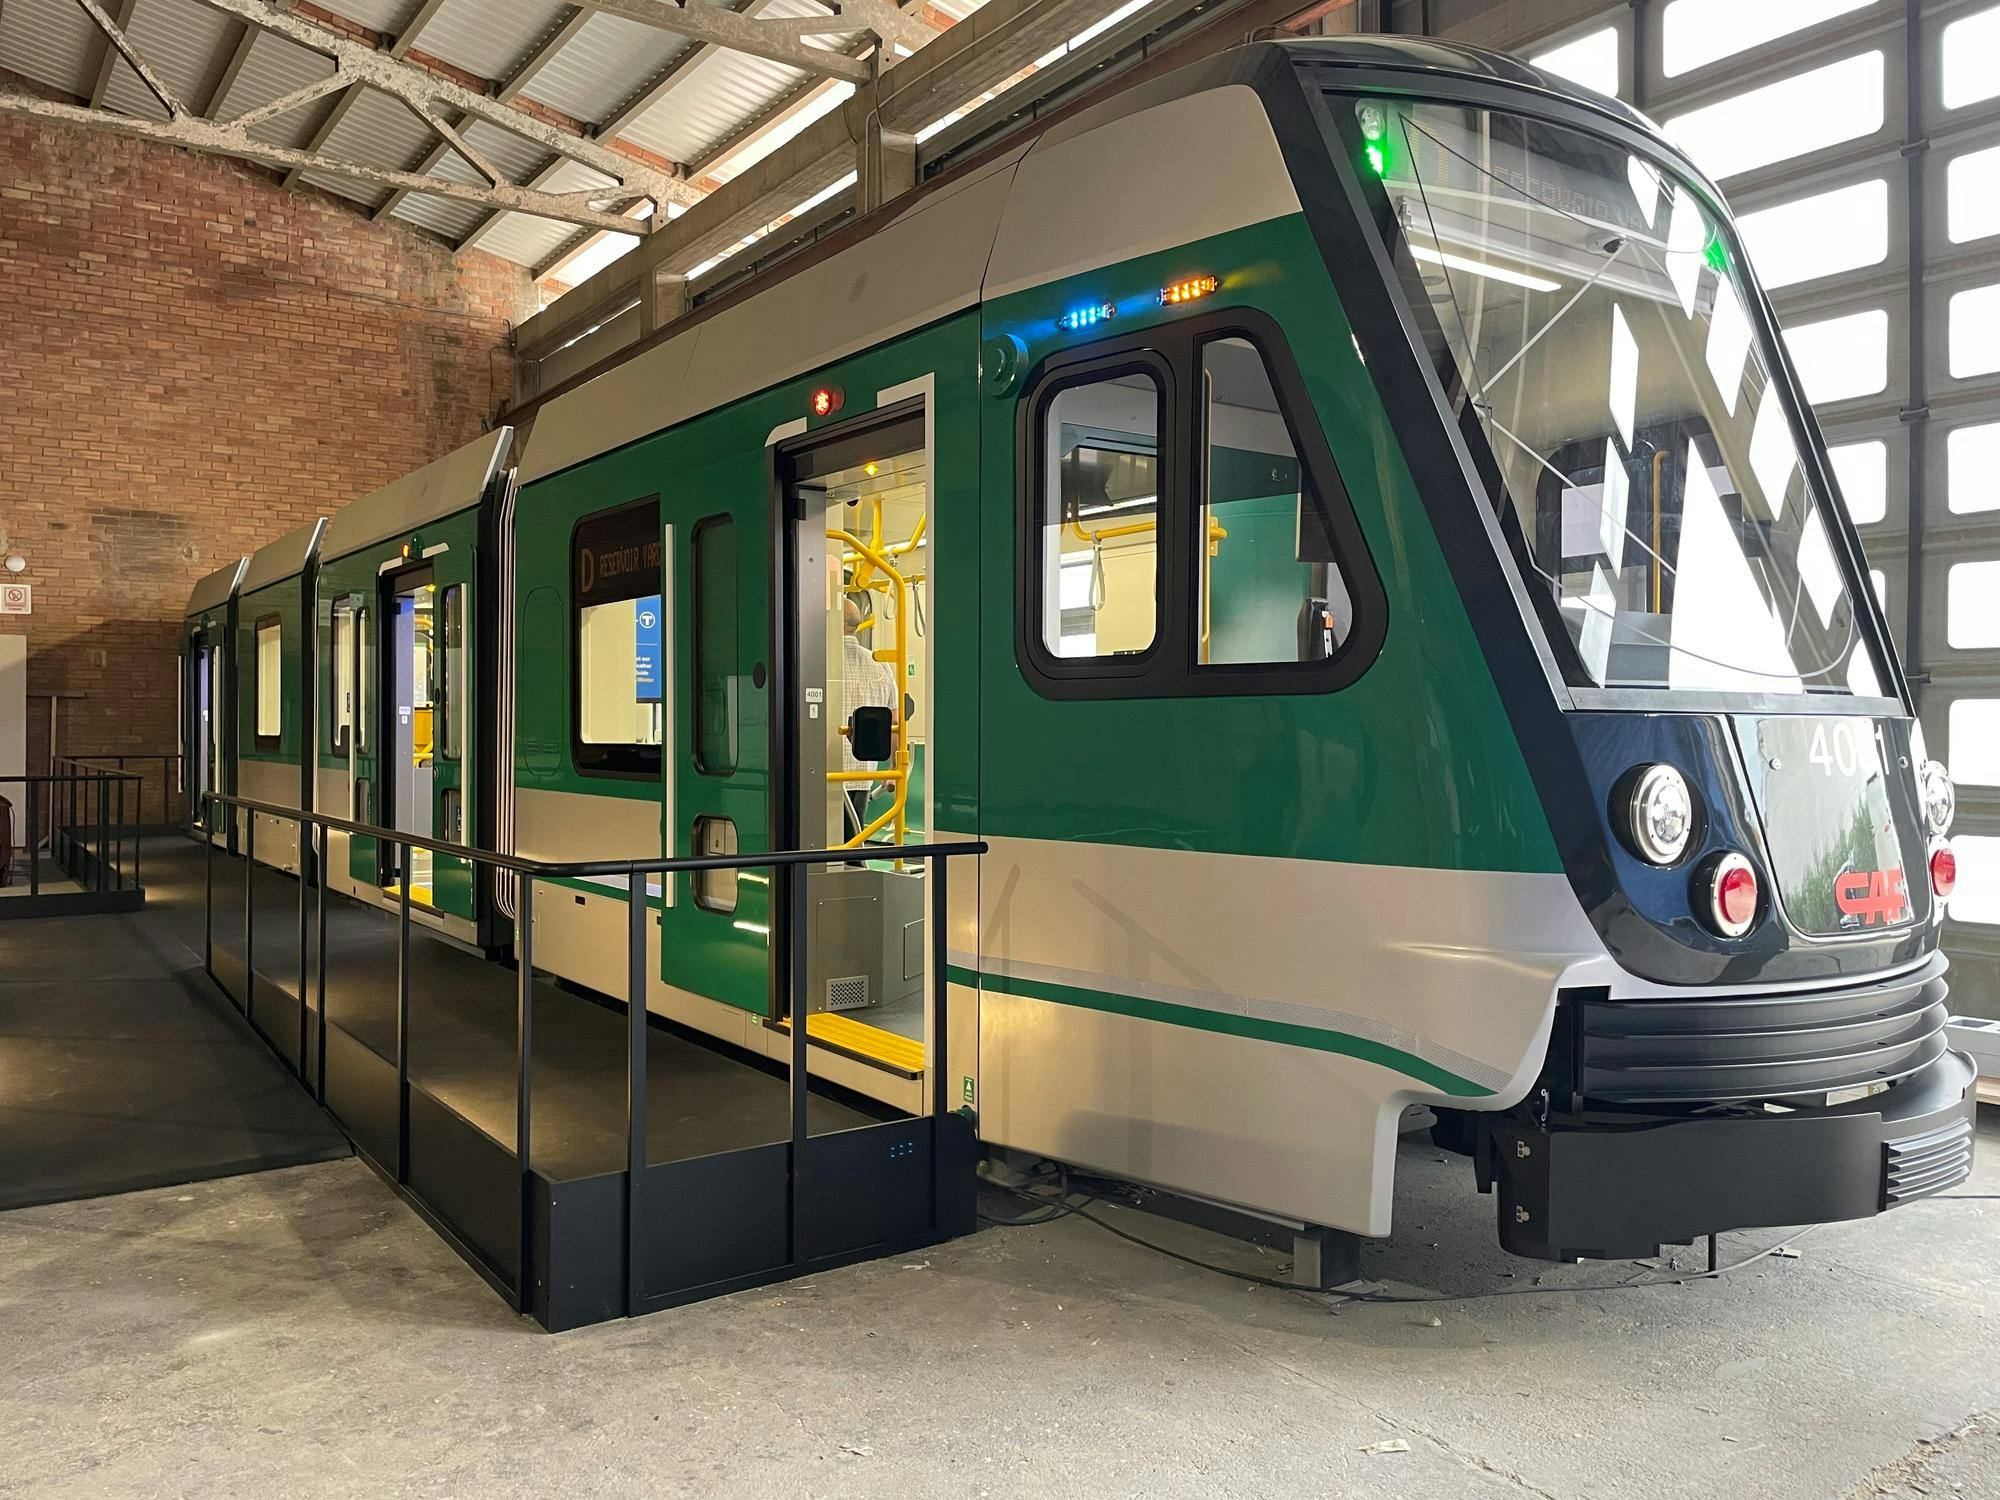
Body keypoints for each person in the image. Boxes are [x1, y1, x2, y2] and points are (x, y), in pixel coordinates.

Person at [841, 592, 896, 840]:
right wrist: (893, 769)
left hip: (826, 772)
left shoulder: (820, 662)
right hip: (863, 771)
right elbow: (894, 721)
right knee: (854, 840)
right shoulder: (881, 665)